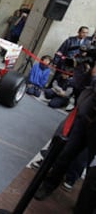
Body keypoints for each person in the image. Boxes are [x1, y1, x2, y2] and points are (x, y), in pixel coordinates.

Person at [34, 66, 96, 214]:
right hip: (85, 117)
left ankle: (84, 206)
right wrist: (87, 71)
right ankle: (49, 185)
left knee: (92, 174)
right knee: (65, 154)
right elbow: (79, 84)